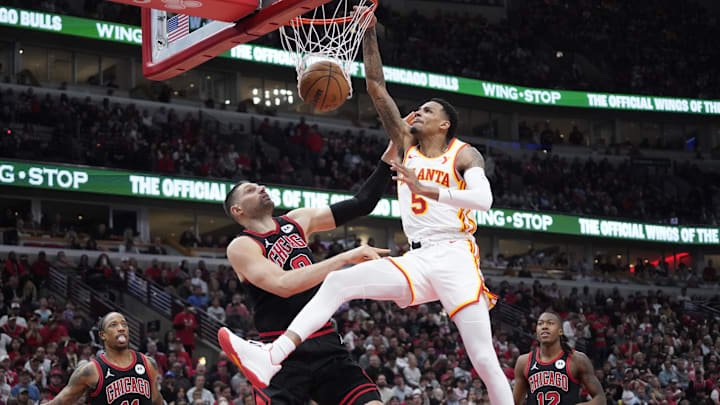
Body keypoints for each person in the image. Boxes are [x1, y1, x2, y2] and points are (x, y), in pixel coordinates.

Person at [220, 8, 513, 405]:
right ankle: (273, 355)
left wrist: (425, 189)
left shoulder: (464, 155)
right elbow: (376, 86)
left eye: (428, 110)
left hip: (457, 255)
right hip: (419, 257)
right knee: (340, 281)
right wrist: (368, 33)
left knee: (483, 358)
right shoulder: (405, 146)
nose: (419, 113)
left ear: (444, 124)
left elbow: (484, 201)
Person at [216, 141, 401, 405]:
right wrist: (345, 257)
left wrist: (390, 152)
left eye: (259, 185)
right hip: (281, 353)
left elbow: (363, 202)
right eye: (250, 189)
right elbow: (283, 284)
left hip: (325, 342)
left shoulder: (297, 220)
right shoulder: (242, 246)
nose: (261, 187)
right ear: (238, 210)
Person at [45, 312, 163, 405]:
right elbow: (59, 402)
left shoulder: (148, 363)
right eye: (113, 325)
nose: (121, 328)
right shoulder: (90, 370)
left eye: (124, 324)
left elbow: (156, 399)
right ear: (103, 335)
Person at [512, 312, 605, 404]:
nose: (544, 326)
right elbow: (514, 402)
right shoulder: (523, 362)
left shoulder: (577, 360)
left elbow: (600, 399)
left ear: (560, 331)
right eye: (540, 324)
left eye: (550, 323)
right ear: (536, 332)